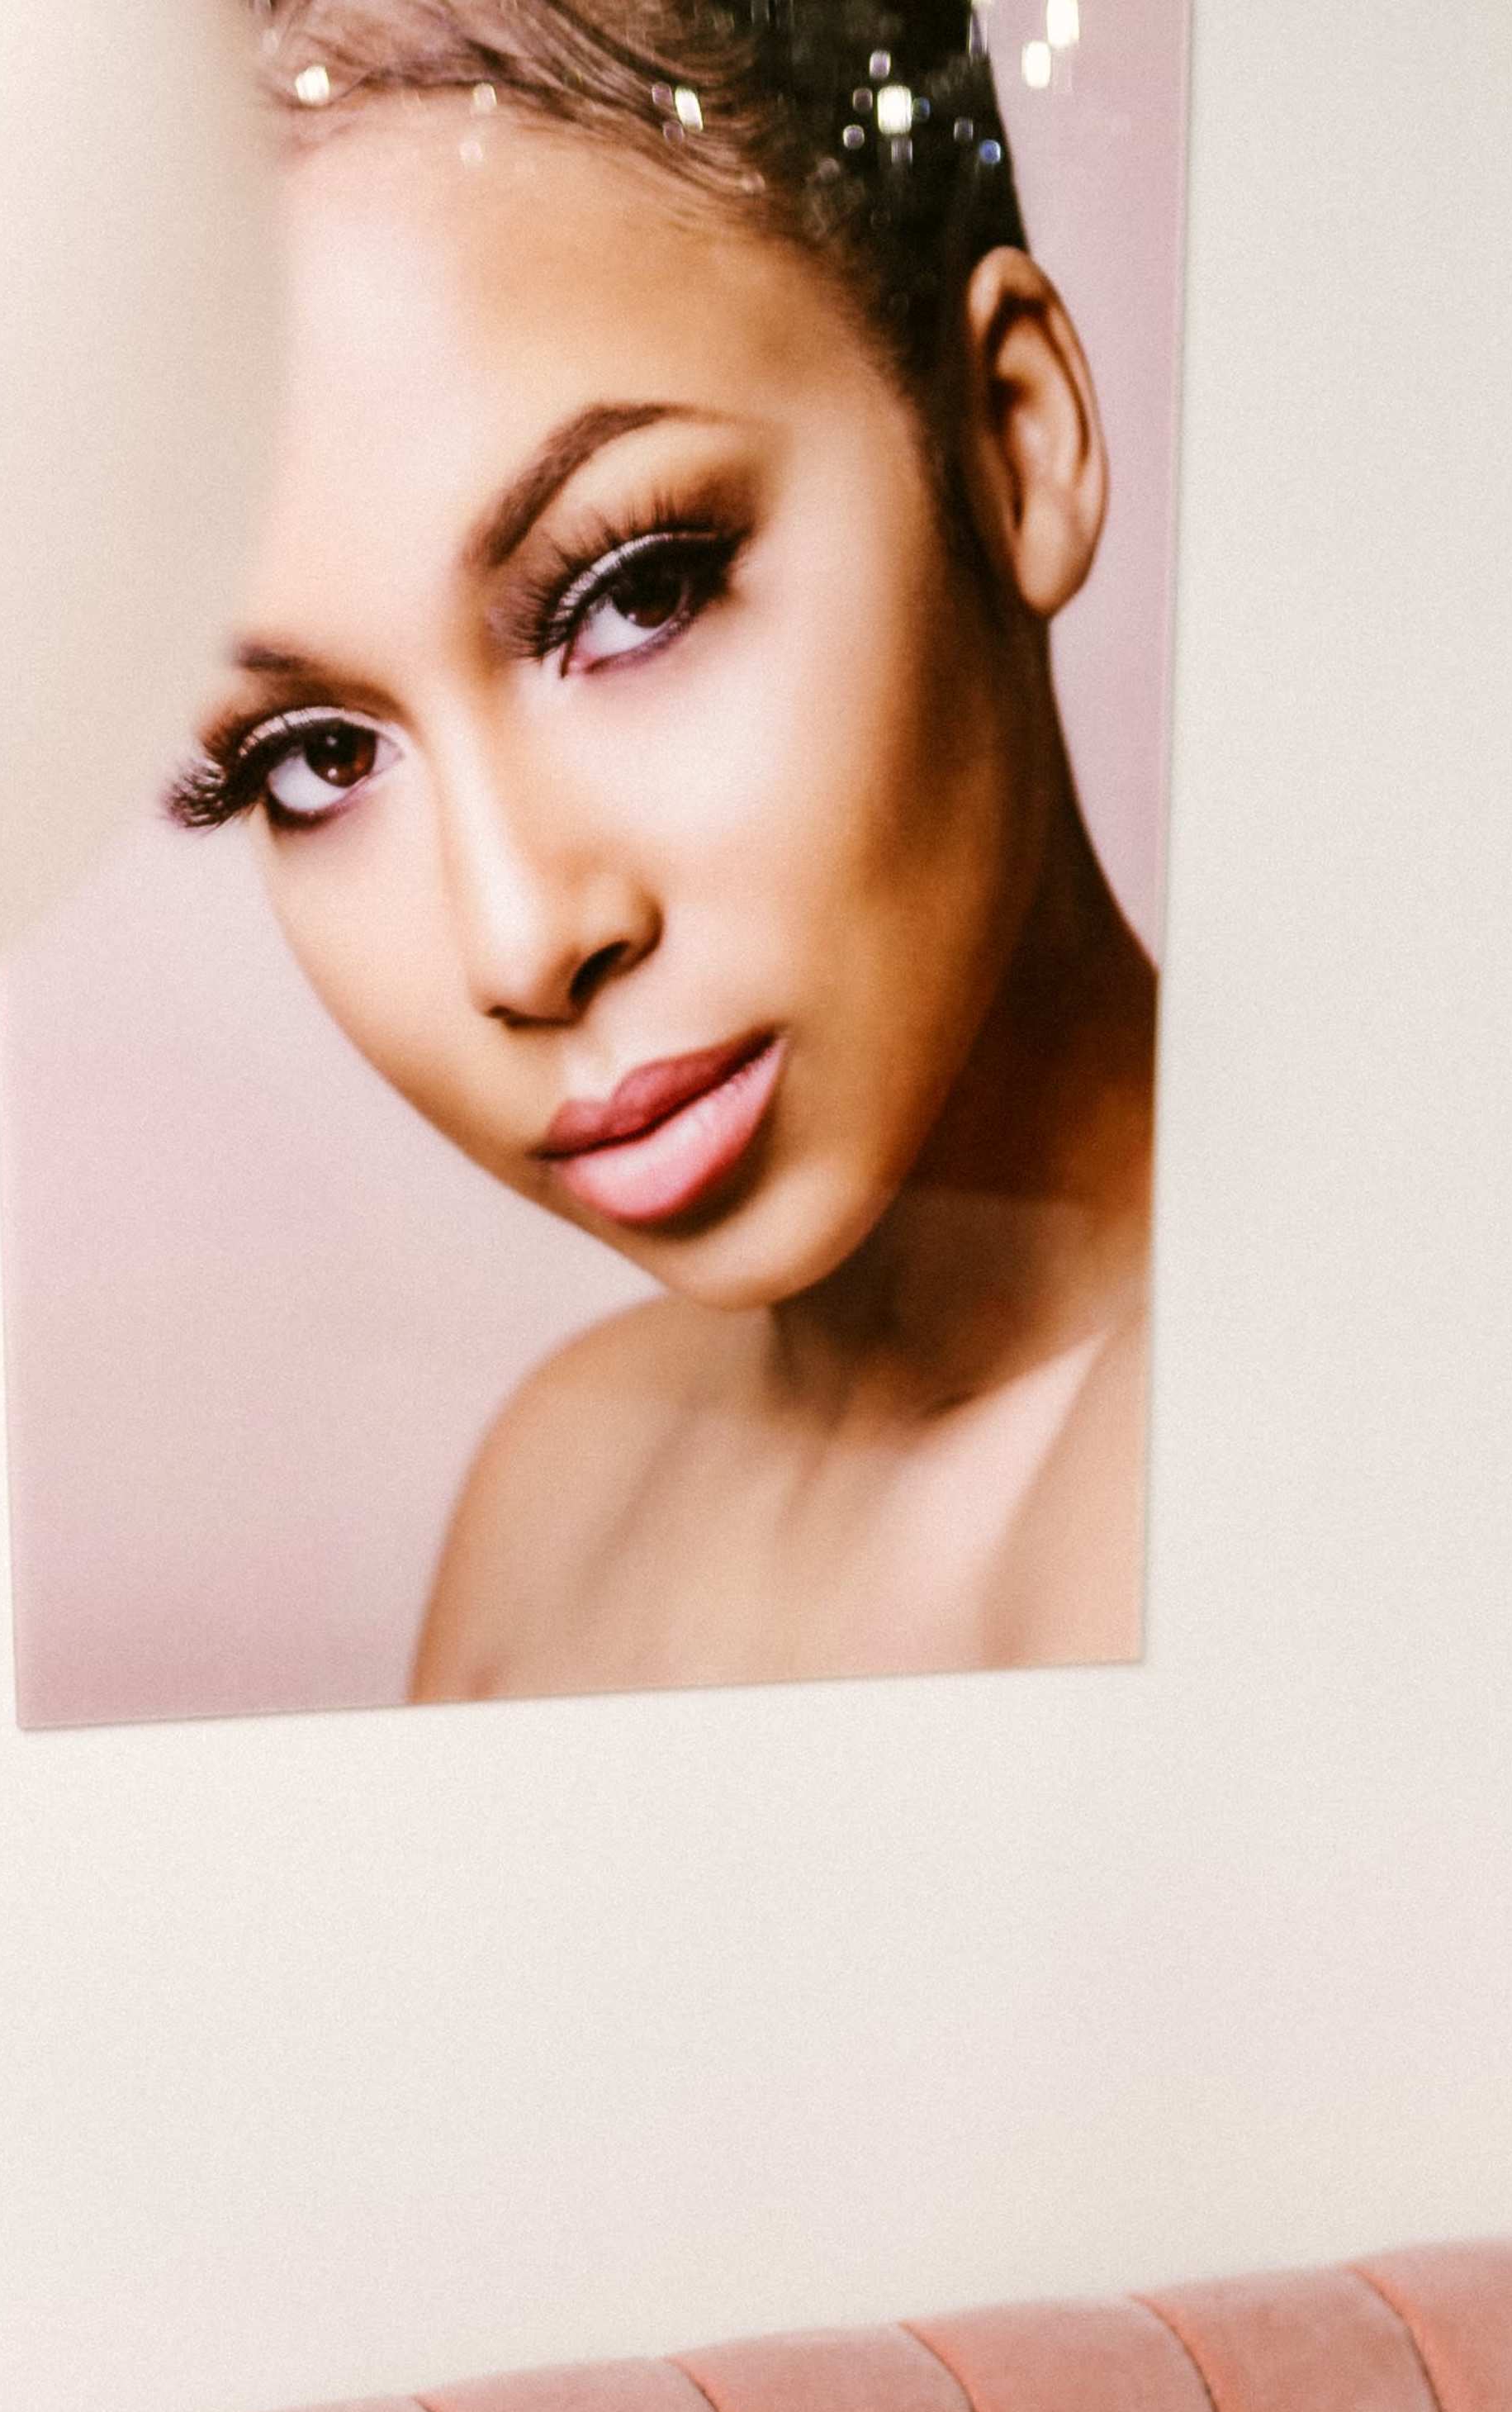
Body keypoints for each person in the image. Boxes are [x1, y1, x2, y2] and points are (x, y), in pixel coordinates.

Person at [175, 0, 1156, 1701]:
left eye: (636, 594)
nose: (517, 938)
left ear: (1015, 436)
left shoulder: (1350, 1429)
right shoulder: (550, 1509)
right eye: (317, 759)